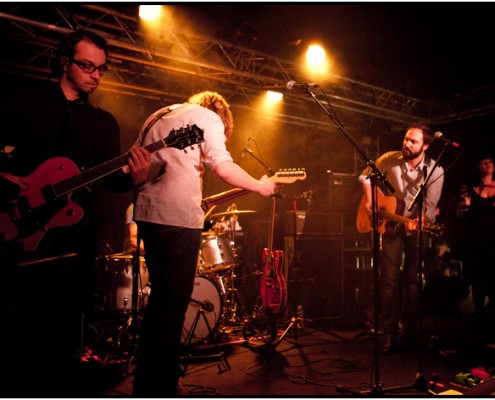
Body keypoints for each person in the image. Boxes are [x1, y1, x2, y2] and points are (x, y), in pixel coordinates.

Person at [0, 29, 150, 395]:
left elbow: (110, 183)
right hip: (17, 235)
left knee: (65, 337)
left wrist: (136, 178)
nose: (96, 75)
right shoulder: (24, 103)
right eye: (87, 66)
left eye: (102, 69)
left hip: (71, 245)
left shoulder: (104, 123)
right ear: (65, 61)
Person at [131, 90, 277, 396]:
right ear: (221, 116)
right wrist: (260, 186)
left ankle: (148, 382)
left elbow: (140, 167)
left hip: (147, 216)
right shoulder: (208, 118)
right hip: (178, 221)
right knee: (172, 308)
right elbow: (222, 167)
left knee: (159, 305)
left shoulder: (157, 116)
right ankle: (162, 389)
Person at [358, 122, 444, 355]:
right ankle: (389, 334)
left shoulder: (435, 171)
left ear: (425, 145)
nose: (406, 144)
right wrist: (369, 201)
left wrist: (419, 223)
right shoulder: (389, 158)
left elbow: (429, 209)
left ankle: (411, 331)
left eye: (413, 141)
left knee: (413, 282)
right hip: (389, 227)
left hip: (413, 228)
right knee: (388, 282)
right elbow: (365, 177)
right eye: (406, 139)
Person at [457, 156, 495, 340]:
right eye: (483, 162)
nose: (487, 164)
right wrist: (464, 206)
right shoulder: (470, 190)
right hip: (476, 241)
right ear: (478, 167)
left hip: (493, 241)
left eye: (490, 161)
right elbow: (460, 215)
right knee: (478, 279)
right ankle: (479, 319)